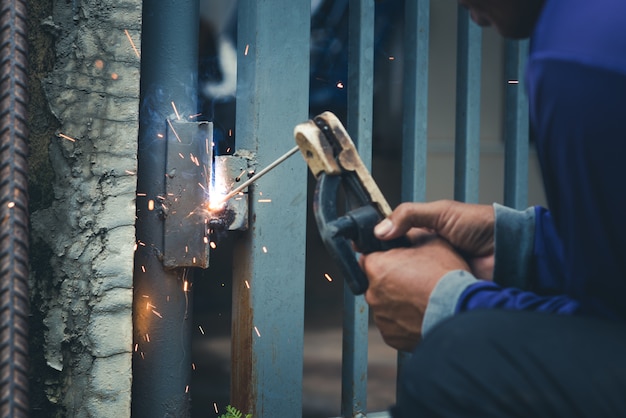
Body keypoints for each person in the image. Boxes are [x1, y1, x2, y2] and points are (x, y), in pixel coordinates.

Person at [359, 0, 626, 416]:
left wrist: (451, 305)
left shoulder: (575, 58)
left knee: (460, 359)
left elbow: (610, 322)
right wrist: (521, 246)